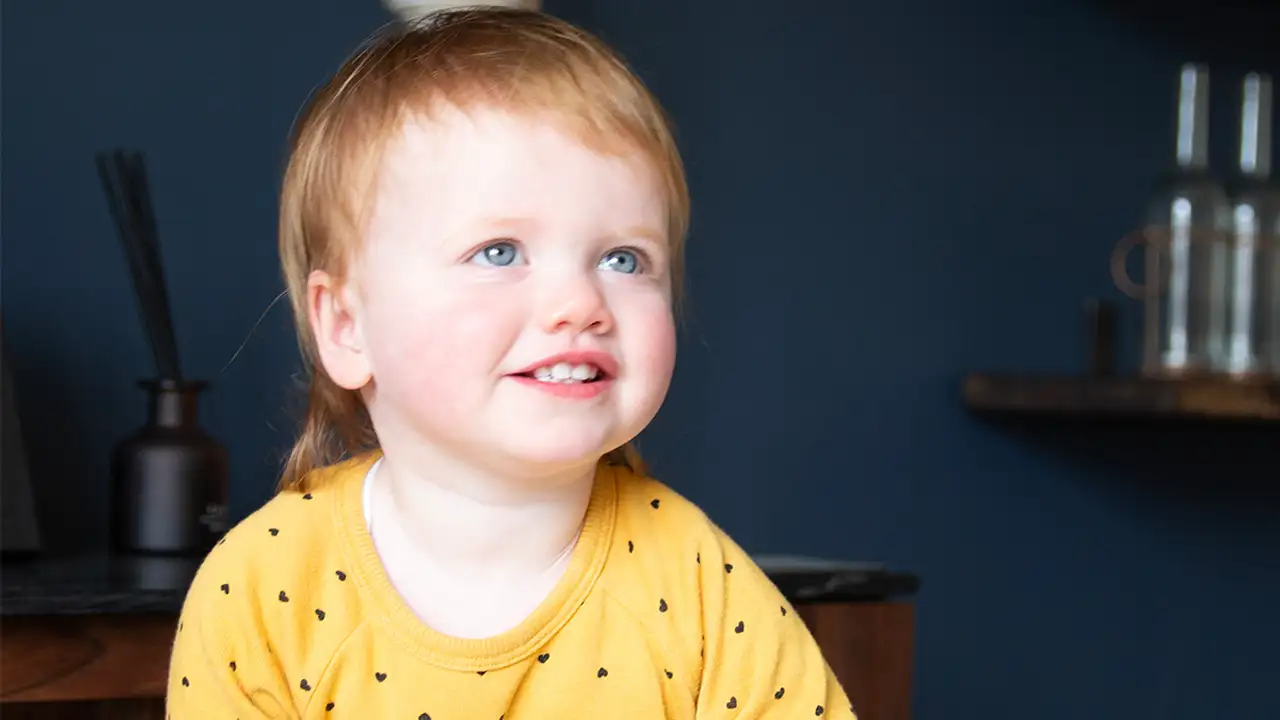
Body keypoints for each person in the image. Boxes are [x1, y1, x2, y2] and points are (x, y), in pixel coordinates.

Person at [166, 7, 855, 718]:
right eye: (498, 251)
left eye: (624, 258)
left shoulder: (702, 588)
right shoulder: (262, 588)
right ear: (347, 327)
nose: (579, 301)